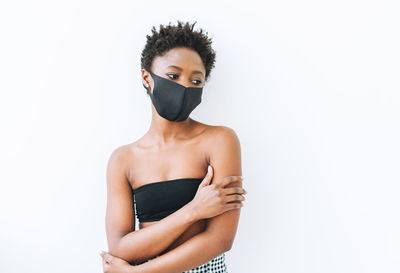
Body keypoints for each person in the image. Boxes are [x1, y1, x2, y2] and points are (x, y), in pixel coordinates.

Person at [99, 20, 247, 273]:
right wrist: (194, 210)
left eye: (196, 81)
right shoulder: (123, 159)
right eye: (173, 76)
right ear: (147, 77)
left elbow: (220, 240)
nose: (185, 87)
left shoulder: (220, 140)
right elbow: (121, 248)